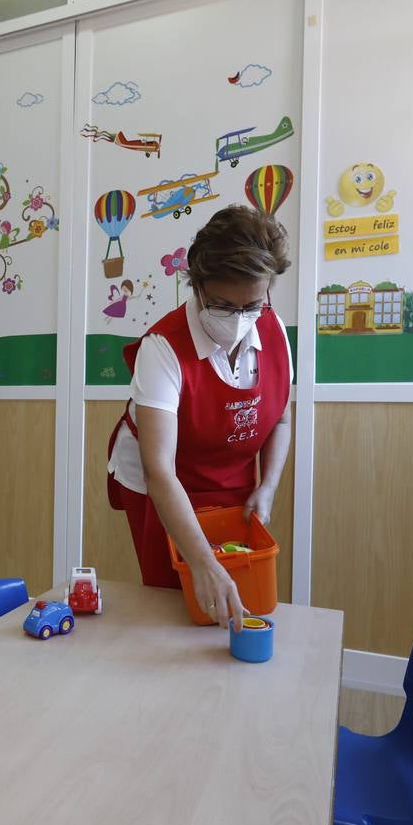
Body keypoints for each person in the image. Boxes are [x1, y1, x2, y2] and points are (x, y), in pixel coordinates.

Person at [106, 205, 292, 630]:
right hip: (162, 479)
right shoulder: (162, 349)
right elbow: (160, 472)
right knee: (176, 599)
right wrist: (203, 562)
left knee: (235, 586)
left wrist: (268, 486)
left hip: (230, 469)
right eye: (224, 306)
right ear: (198, 286)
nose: (240, 320)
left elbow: (280, 419)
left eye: (253, 305)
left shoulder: (272, 329)